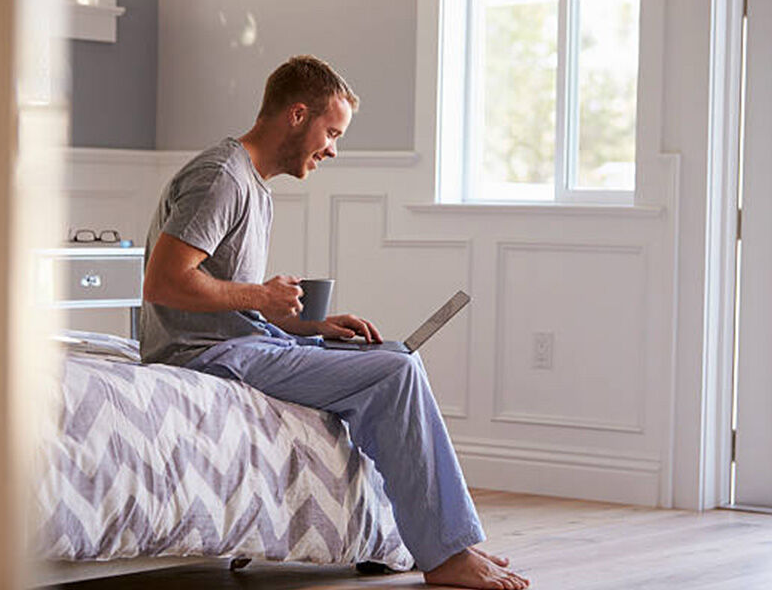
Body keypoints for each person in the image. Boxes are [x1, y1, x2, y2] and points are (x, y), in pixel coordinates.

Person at [140, 55, 530, 590]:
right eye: (331, 132)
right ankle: (446, 556)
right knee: (393, 375)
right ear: (297, 115)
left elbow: (223, 300)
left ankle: (427, 539)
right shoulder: (221, 177)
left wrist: (308, 328)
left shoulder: (253, 182)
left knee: (393, 356)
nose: (333, 149)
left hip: (240, 343)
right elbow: (163, 283)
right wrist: (262, 295)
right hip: (202, 355)